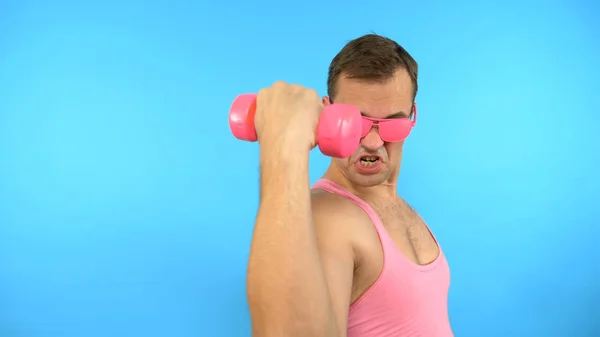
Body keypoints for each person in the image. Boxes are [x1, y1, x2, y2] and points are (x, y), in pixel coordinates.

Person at [246, 34, 453, 337]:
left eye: (393, 123)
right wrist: (284, 146)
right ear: (325, 112)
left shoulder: (394, 202)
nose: (372, 142)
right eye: (355, 120)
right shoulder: (328, 217)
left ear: (412, 117)